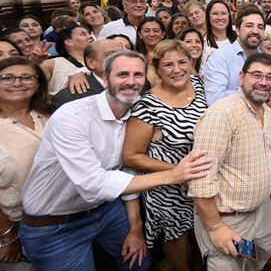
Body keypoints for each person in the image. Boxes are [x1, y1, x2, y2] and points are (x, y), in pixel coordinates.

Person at [19, 50, 211, 271]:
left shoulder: (134, 111)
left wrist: (136, 227)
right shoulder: (71, 117)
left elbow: (124, 171)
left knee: (139, 264)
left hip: (106, 209)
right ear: (105, 78)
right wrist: (174, 174)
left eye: (138, 75)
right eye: (122, 75)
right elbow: (94, 183)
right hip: (54, 224)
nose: (131, 82)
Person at [189, 53, 271, 271]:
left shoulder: (267, 112)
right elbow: (201, 180)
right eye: (256, 75)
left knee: (264, 247)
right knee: (227, 265)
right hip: (227, 218)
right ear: (242, 77)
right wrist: (214, 227)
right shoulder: (221, 116)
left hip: (262, 209)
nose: (263, 82)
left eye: (270, 77)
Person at [123, 40, 208, 271]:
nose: (177, 69)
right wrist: (175, 173)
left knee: (198, 226)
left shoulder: (197, 83)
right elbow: (131, 156)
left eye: (183, 62)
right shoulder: (147, 106)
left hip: (198, 177)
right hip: (166, 185)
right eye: (168, 64)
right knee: (175, 234)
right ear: (157, 68)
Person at [0, 57, 51, 271]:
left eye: (27, 77)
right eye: (7, 78)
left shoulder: (50, 113)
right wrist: (7, 235)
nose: (18, 83)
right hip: (15, 224)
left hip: (62, 215)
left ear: (38, 83)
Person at [204, 6, 265, 105]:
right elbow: (214, 99)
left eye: (260, 27)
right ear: (237, 30)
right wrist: (255, 92)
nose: (255, 31)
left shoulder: (264, 59)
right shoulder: (220, 57)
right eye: (249, 26)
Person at [51, 39, 124, 110]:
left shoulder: (134, 87)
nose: (122, 59)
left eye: (125, 54)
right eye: (112, 55)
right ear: (91, 62)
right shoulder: (68, 98)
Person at [40, 26, 94, 95]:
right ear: (68, 42)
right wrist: (62, 94)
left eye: (89, 33)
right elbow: (35, 93)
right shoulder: (52, 64)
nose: (90, 36)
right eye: (83, 34)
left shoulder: (100, 61)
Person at [134, 17, 166, 85]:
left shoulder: (172, 55)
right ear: (139, 33)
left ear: (163, 33)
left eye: (156, 31)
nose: (151, 34)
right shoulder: (133, 57)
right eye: (146, 31)